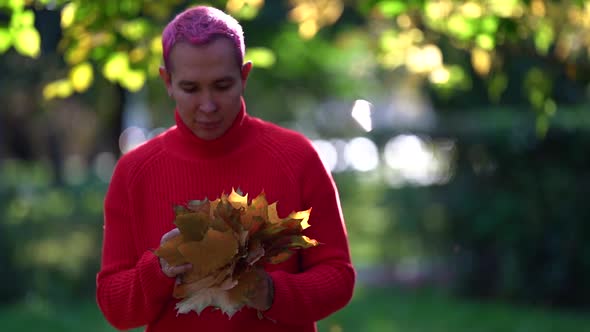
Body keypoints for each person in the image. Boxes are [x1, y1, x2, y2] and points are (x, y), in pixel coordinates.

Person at [96, 5, 355, 332]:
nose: (207, 105)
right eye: (191, 88)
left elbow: (338, 277)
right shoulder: (134, 172)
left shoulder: (296, 158)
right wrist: (159, 269)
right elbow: (114, 307)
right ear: (168, 81)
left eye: (222, 86)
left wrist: (272, 292)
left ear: (244, 76)